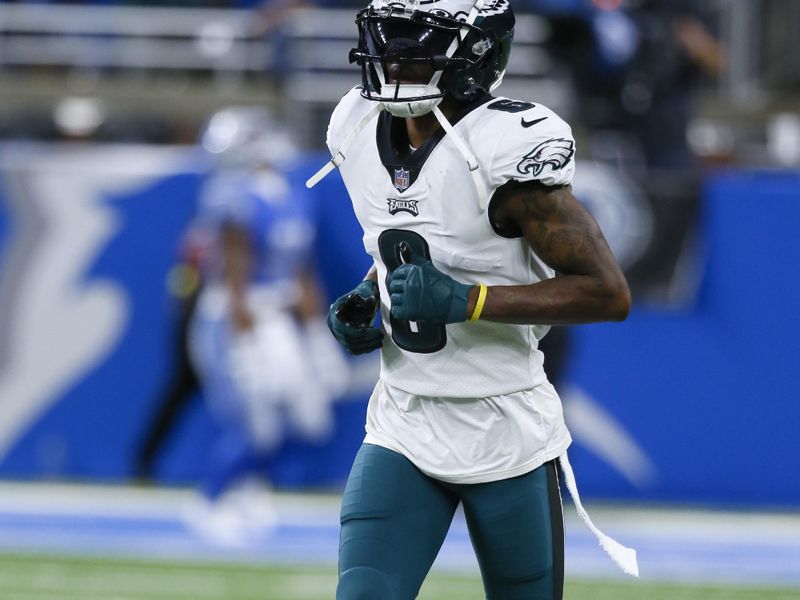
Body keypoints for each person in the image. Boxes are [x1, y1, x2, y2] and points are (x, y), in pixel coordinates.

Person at [306, 0, 638, 597]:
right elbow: (417, 240)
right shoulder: (355, 126)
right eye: (389, 36)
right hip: (404, 419)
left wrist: (469, 302)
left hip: (504, 424)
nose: (394, 55)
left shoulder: (502, 147)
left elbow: (607, 293)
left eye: (415, 39)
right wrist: (370, 294)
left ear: (474, 53)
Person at [183, 106, 348, 543]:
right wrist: (244, 342)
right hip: (238, 317)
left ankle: (249, 486)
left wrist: (317, 335)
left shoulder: (292, 194)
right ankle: (213, 498)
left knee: (310, 420)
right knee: (257, 423)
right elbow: (234, 279)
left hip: (277, 319)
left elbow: (300, 272)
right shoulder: (232, 195)